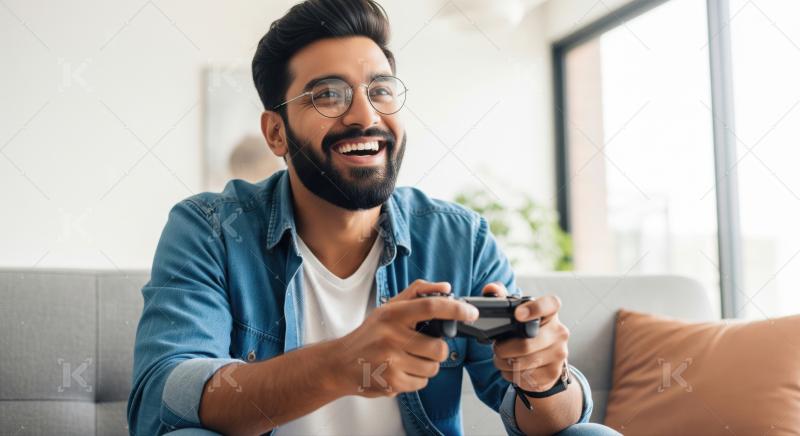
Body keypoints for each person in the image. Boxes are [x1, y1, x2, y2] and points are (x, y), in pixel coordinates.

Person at [127, 1, 620, 435]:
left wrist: (546, 381)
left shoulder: (459, 238)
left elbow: (539, 420)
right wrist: (340, 364)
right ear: (275, 133)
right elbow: (163, 397)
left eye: (380, 91)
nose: (365, 116)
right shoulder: (210, 229)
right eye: (327, 95)